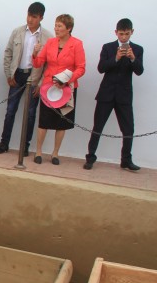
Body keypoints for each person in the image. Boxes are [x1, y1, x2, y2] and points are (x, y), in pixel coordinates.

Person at [0, 2, 51, 156]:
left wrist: (40, 83)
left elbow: (48, 65)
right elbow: (8, 53)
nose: (30, 19)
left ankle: (25, 146)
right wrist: (9, 74)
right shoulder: (17, 31)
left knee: (30, 113)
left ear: (41, 18)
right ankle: (4, 143)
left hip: (34, 76)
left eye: (34, 17)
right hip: (17, 74)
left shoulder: (48, 37)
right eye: (29, 15)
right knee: (10, 110)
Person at [85, 18, 143, 171]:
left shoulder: (137, 49)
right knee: (98, 127)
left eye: (127, 34)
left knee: (128, 129)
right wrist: (116, 58)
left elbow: (139, 71)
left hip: (124, 95)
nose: (123, 37)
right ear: (116, 32)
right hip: (106, 94)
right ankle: (90, 157)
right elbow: (101, 68)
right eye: (121, 34)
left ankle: (126, 160)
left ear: (132, 32)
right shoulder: (108, 47)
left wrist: (132, 58)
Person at [32, 14, 85, 165]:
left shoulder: (77, 44)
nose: (56, 29)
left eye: (59, 26)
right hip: (49, 87)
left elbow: (81, 68)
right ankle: (38, 152)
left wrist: (67, 80)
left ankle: (55, 153)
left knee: (61, 122)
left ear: (69, 28)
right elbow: (38, 63)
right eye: (55, 25)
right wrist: (35, 53)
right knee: (44, 121)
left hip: (66, 88)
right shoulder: (50, 42)